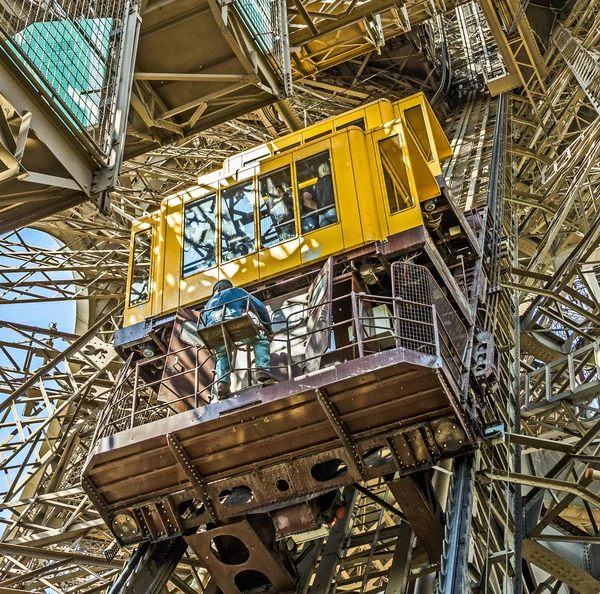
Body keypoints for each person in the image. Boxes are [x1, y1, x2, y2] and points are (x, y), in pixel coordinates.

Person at [202, 279, 275, 399]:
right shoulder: (237, 292)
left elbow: (203, 323)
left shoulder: (208, 304)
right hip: (233, 324)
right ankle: (262, 371)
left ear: (215, 291)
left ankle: (222, 385)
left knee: (222, 354)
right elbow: (260, 308)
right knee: (260, 340)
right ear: (229, 287)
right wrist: (268, 327)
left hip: (213, 330)